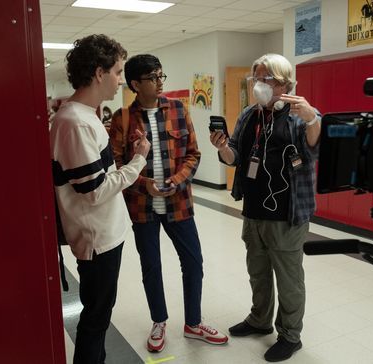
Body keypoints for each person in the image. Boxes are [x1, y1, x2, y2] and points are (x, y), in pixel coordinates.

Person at [108, 54, 228, 353]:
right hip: (141, 208)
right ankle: (159, 321)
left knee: (193, 263)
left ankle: (194, 322)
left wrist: (176, 181)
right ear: (136, 84)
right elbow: (117, 165)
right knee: (151, 266)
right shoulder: (122, 119)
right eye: (153, 77)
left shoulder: (178, 109)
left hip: (179, 205)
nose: (160, 82)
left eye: (162, 75)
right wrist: (143, 184)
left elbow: (193, 154)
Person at [209, 53, 321, 362]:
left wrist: (312, 118)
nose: (258, 84)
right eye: (254, 78)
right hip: (254, 209)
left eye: (265, 78)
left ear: (284, 83)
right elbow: (235, 156)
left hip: (288, 213)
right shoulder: (249, 115)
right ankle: (259, 320)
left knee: (288, 279)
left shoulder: (302, 114)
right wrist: (222, 148)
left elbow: (315, 148)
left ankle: (290, 335)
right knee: (257, 272)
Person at [50, 34, 151, 364]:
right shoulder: (74, 122)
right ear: (98, 73)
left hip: (107, 233)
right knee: (95, 320)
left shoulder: (83, 115)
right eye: (118, 71)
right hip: (97, 239)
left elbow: (97, 173)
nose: (121, 80)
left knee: (100, 315)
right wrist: (138, 162)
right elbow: (94, 191)